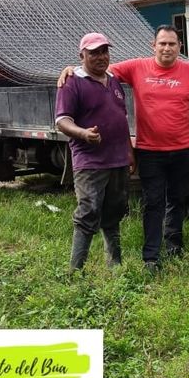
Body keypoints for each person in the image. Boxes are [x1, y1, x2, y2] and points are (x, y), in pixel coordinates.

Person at [59, 25, 189, 271]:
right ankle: (151, 257)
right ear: (153, 46)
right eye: (162, 43)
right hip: (150, 151)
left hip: (182, 149)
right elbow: (98, 69)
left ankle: (174, 248)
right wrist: (70, 70)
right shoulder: (136, 67)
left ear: (179, 47)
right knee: (153, 204)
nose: (167, 48)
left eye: (172, 44)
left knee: (177, 200)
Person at [55, 33, 134, 271]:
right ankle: (75, 270)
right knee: (88, 212)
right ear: (82, 56)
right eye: (94, 53)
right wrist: (83, 133)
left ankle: (115, 265)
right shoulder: (72, 82)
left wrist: (130, 152)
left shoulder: (113, 80)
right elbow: (62, 120)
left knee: (114, 212)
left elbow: (122, 119)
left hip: (118, 159)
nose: (101, 57)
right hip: (90, 161)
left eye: (104, 51)